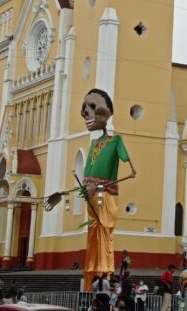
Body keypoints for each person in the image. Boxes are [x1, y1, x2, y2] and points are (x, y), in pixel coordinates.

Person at [46, 88, 137, 287]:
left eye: (92, 107)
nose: (85, 112)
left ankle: (105, 277)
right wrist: (63, 193)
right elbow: (87, 175)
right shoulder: (94, 143)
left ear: (105, 114)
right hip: (92, 195)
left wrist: (101, 185)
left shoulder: (116, 141)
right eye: (84, 108)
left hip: (105, 195)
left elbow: (132, 171)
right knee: (93, 233)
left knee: (104, 231)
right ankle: (91, 281)